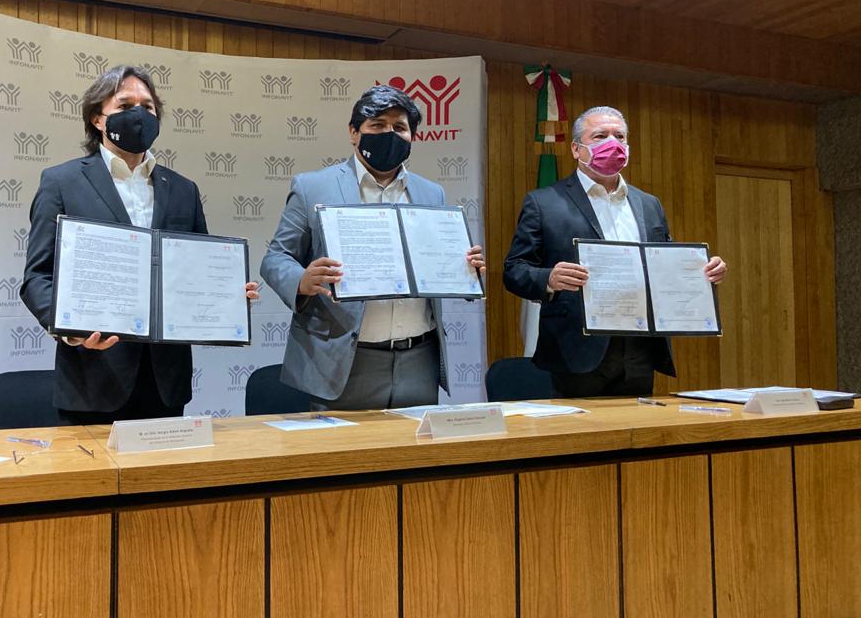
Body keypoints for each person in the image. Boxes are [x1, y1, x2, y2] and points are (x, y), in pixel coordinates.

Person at [21, 65, 258, 423]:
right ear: (97, 119)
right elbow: (37, 278)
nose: (139, 114)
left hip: (166, 384)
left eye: (147, 107)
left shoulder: (184, 190)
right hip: (92, 379)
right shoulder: (61, 182)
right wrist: (72, 333)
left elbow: (196, 271)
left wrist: (227, 296)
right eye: (125, 105)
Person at [260, 85, 485, 410]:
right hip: (344, 360)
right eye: (377, 125)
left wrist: (465, 269)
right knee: (343, 445)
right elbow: (276, 258)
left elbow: (437, 260)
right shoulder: (313, 186)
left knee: (414, 444)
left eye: (399, 127)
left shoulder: (431, 193)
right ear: (354, 133)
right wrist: (301, 280)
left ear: (412, 136)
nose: (389, 134)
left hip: (419, 359)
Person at [502, 105, 727, 398]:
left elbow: (663, 261)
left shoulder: (649, 204)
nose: (612, 143)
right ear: (576, 149)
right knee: (582, 428)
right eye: (600, 136)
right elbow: (514, 270)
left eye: (619, 136)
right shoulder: (544, 202)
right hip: (576, 350)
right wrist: (549, 278)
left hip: (640, 347)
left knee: (637, 425)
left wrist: (701, 270)